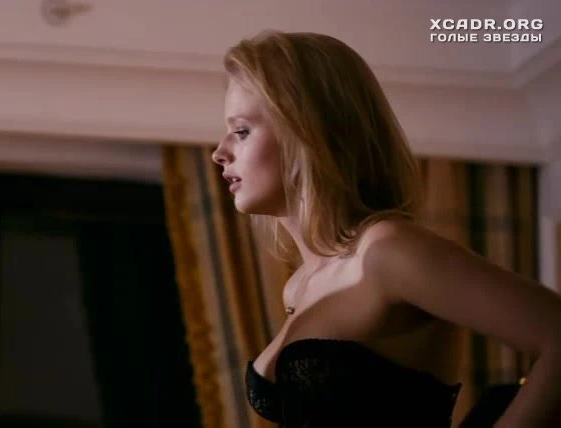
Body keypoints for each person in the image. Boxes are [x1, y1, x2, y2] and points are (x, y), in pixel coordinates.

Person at [214, 30, 561, 427]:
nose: (219, 153)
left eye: (241, 131)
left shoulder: (388, 251)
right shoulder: (299, 286)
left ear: (308, 131)